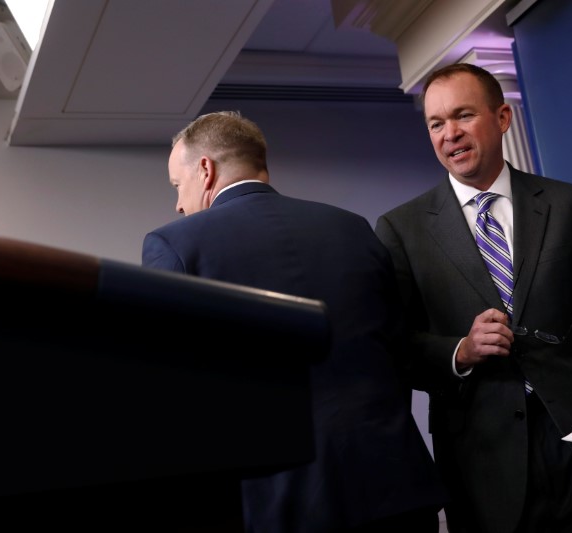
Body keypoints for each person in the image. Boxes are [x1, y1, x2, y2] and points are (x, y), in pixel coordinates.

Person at [374, 63, 572, 533]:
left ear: (502, 118)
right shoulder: (400, 229)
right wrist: (459, 351)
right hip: (483, 465)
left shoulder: (569, 204)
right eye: (436, 123)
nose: (450, 134)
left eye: (463, 115)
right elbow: (396, 347)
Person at [141, 110, 447, 533]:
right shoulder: (352, 228)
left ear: (205, 170)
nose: (177, 202)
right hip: (394, 487)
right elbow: (397, 352)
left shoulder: (174, 245)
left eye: (178, 185)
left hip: (278, 504)